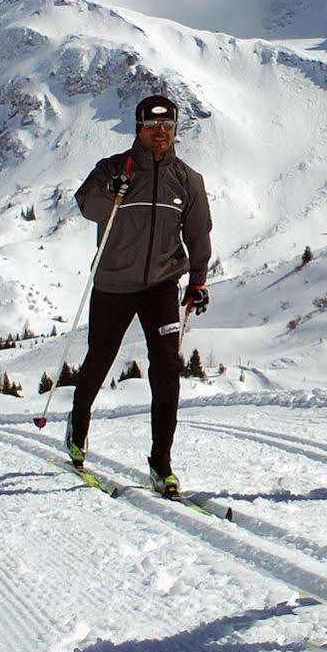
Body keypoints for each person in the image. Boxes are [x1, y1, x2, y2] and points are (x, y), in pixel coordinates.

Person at [69, 94, 212, 496]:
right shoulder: (113, 169)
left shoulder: (186, 179)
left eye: (168, 127)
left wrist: (197, 281)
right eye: (153, 126)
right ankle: (77, 433)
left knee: (167, 368)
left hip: (161, 286)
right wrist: (112, 192)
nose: (161, 133)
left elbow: (198, 233)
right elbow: (88, 206)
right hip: (114, 284)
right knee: (99, 360)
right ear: (139, 128)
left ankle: (161, 463)